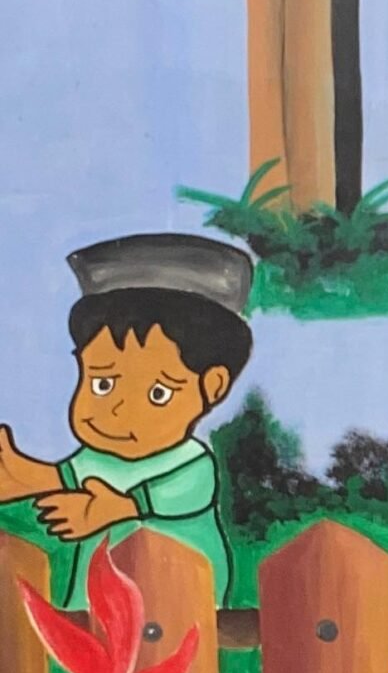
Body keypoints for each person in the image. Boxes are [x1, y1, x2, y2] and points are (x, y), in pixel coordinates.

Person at [0, 232, 253, 606]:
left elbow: (184, 493)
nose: (117, 410)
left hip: (178, 596)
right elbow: (68, 475)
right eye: (102, 383)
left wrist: (121, 508)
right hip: (98, 600)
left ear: (212, 386)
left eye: (158, 393)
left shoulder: (192, 462)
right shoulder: (97, 458)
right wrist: (24, 475)